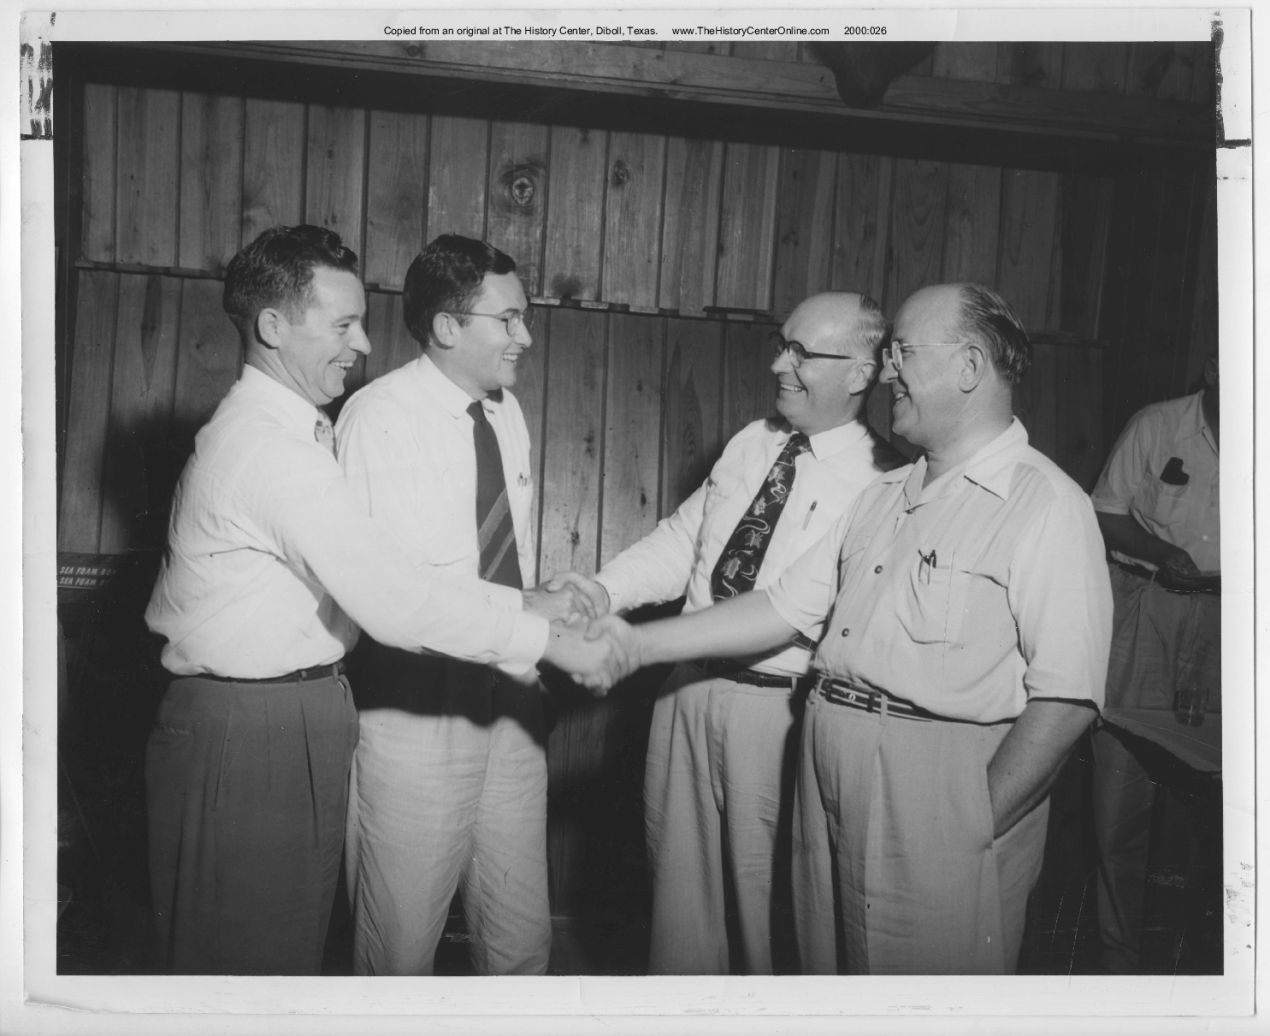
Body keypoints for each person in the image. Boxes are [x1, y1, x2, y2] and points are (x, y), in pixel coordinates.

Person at [580, 283, 1113, 975]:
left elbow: (1068, 700)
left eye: (904, 353)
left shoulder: (1046, 503)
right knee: (821, 988)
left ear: (969, 367)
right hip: (828, 777)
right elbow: (779, 607)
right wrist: (636, 644)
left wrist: (975, 821)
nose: (888, 372)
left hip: (935, 794)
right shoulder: (885, 496)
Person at [143, 225, 614, 975]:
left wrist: (532, 605)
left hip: (300, 707)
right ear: (274, 326)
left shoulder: (299, 431)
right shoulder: (278, 445)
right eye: (343, 325)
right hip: (259, 721)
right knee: (260, 969)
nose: (363, 345)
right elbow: (394, 599)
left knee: (281, 958)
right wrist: (546, 637)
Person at [553, 292, 899, 974]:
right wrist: (603, 591)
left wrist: (636, 645)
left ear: (861, 373)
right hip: (685, 692)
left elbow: (789, 608)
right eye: (781, 344)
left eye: (802, 353)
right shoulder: (752, 442)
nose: (778, 364)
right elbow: (685, 540)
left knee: (767, 920)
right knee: (679, 912)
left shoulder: (883, 482)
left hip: (779, 711)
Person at [335, 235, 588, 975]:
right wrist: (528, 608)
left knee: (520, 934)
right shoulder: (378, 417)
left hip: (509, 693)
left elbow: (502, 556)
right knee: (399, 943)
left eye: (524, 317)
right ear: (447, 326)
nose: (525, 336)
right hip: (416, 707)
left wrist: (544, 605)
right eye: (507, 319)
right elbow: (387, 588)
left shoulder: (506, 414)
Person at [1088, 355, 1220, 973]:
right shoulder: (1157, 425)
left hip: (1230, 622)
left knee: (1218, 793)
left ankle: (1204, 956)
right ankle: (1119, 956)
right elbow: (1105, 512)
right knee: (1121, 791)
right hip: (1148, 606)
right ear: (1212, 368)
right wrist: (1161, 552)